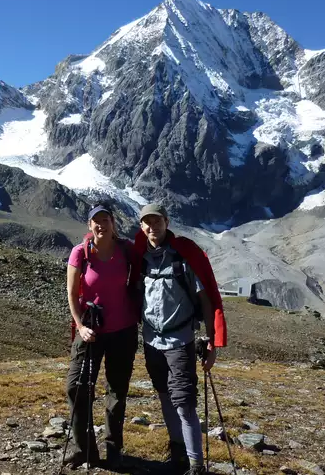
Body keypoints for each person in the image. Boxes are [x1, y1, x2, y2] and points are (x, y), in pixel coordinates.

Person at [133, 203, 227, 475]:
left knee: (184, 404)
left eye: (157, 221)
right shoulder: (140, 259)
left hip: (180, 341)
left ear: (166, 222)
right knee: (164, 396)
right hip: (151, 341)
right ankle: (178, 457)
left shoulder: (183, 256)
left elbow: (206, 300)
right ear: (142, 227)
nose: (153, 227)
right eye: (147, 222)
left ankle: (196, 465)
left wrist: (210, 340)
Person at [64, 204, 139, 470]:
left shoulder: (126, 250)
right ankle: (85, 450)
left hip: (123, 330)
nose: (101, 225)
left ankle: (113, 449)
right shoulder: (80, 253)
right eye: (96, 221)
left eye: (105, 220)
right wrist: (79, 326)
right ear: (89, 226)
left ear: (113, 223)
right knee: (76, 387)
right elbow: (73, 294)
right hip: (91, 331)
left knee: (116, 391)